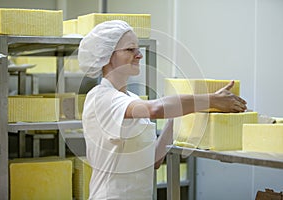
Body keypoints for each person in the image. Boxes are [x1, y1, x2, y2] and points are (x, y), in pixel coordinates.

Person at [78, 20, 247, 200]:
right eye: (130, 49)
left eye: (138, 49)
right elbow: (155, 109)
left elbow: (154, 161)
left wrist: (179, 114)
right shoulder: (100, 98)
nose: (139, 55)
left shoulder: (132, 100)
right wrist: (212, 100)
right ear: (107, 56)